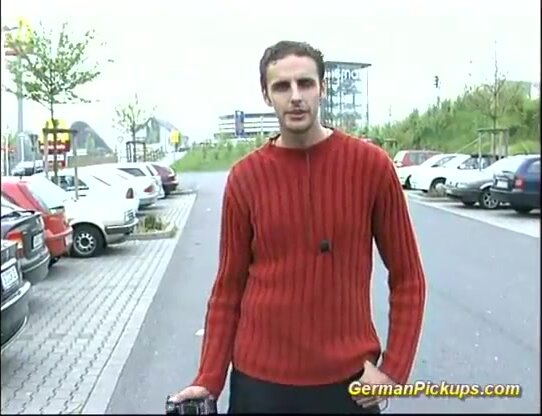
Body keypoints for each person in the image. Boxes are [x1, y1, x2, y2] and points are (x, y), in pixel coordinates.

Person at [171, 40, 427, 413]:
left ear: (322, 88)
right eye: (281, 86)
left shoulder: (371, 166)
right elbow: (228, 290)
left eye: (305, 83)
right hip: (260, 385)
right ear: (266, 95)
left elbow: (409, 279)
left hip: (349, 386)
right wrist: (207, 380)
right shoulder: (246, 177)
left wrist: (393, 371)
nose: (295, 96)